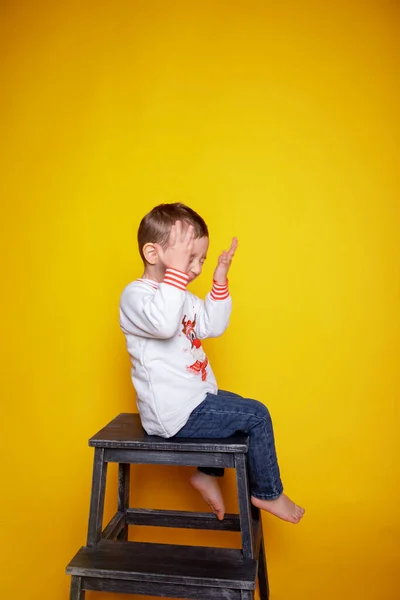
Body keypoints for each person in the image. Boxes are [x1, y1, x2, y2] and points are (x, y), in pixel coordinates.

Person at [120, 203, 305, 524]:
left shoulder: (184, 297)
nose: (194, 268)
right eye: (187, 258)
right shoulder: (136, 296)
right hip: (171, 414)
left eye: (201, 260)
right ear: (152, 253)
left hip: (195, 401)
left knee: (237, 405)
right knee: (257, 415)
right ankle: (267, 492)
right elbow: (163, 323)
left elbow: (211, 325)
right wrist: (176, 275)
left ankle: (206, 475)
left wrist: (219, 280)